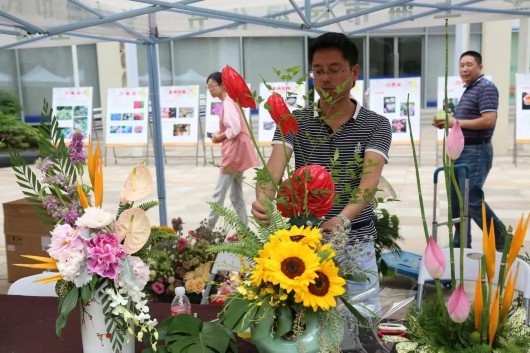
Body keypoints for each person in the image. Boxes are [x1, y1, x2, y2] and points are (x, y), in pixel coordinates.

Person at [251, 32, 392, 305]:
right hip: (305, 244)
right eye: (318, 71)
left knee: (363, 321)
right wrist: (263, 199)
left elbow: (369, 182)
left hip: (355, 241)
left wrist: (343, 219)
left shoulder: (376, 124)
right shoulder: (295, 120)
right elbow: (273, 169)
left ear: (354, 72)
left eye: (334, 70)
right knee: (309, 326)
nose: (326, 79)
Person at [433, 50, 505, 250]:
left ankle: (501, 239)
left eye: (469, 64)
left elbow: (489, 120)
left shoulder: (486, 88)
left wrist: (455, 121)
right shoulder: (470, 89)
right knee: (456, 202)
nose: (464, 69)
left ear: (480, 67)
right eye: (462, 65)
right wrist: (448, 124)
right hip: (461, 151)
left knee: (471, 199)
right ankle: (460, 246)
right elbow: (464, 123)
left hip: (476, 151)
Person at [205, 72, 258, 230]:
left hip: (233, 155)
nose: (210, 90)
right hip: (238, 154)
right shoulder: (231, 102)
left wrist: (218, 137)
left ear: (222, 86)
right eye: (208, 87)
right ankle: (245, 231)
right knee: (236, 194)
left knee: (219, 193)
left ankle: (206, 230)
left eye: (212, 86)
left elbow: (234, 129)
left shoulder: (227, 103)